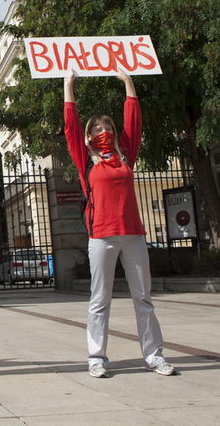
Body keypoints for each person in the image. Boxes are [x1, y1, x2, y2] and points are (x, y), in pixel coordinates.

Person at [64, 69, 175, 378]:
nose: (103, 131)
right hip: (101, 237)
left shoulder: (125, 154)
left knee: (143, 298)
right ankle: (96, 357)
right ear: (88, 136)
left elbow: (134, 122)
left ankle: (154, 355)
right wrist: (68, 85)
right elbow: (70, 125)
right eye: (97, 128)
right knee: (99, 299)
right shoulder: (84, 157)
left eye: (107, 126)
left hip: (134, 236)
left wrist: (128, 83)